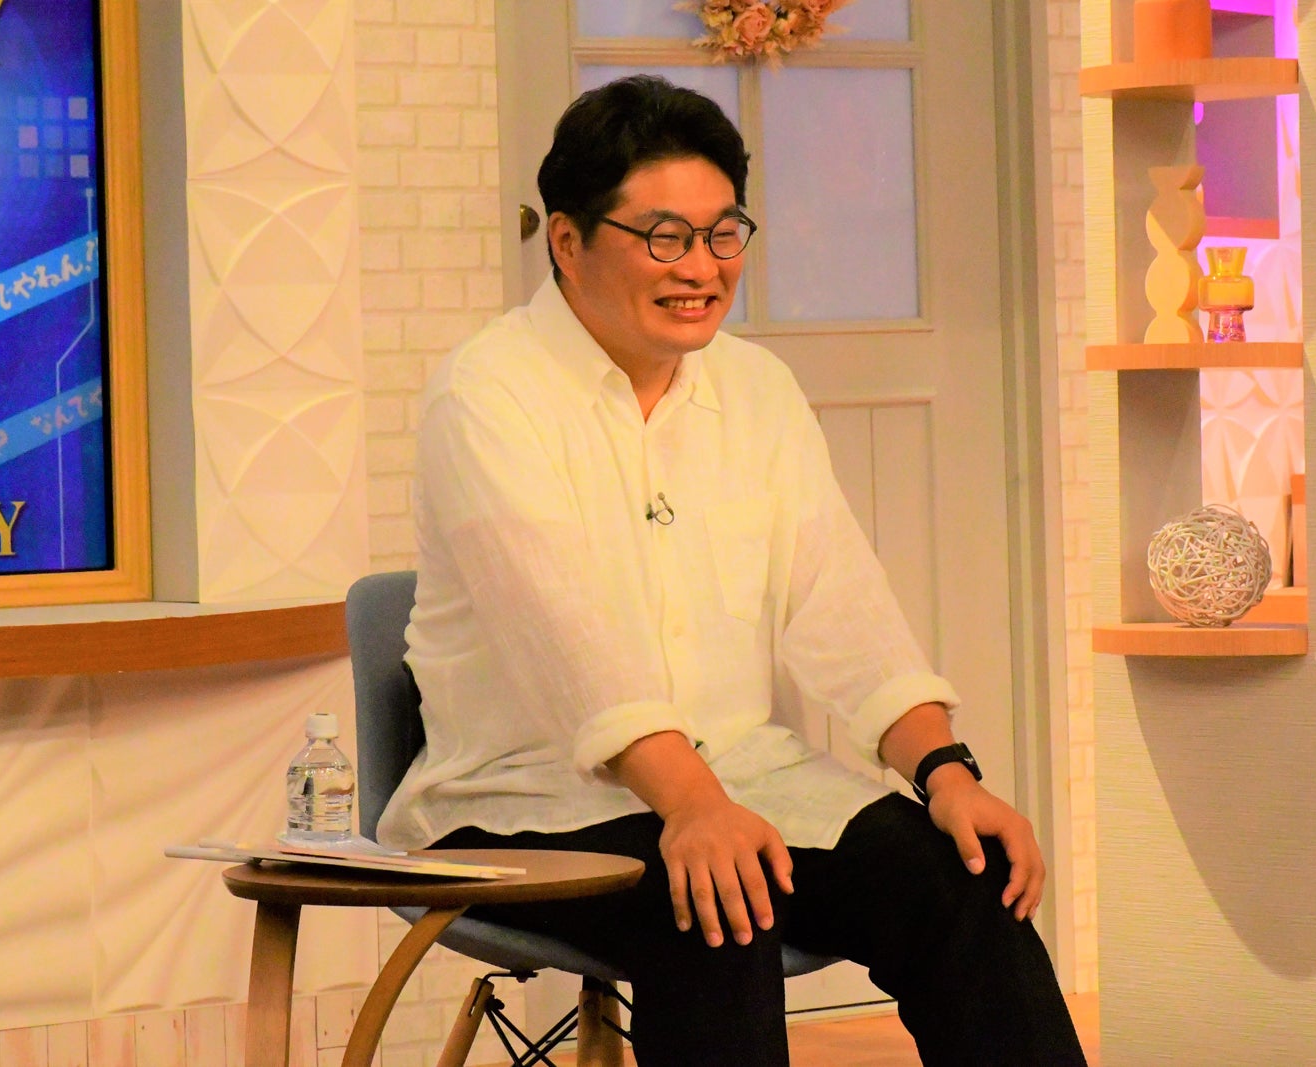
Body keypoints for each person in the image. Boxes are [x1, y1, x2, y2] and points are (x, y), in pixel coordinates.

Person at [378, 74, 1086, 1066]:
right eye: (664, 236)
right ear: (568, 242)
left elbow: (841, 603)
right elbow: (568, 639)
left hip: (743, 780)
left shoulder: (757, 388)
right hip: (523, 803)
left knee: (963, 875)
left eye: (723, 233)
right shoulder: (487, 394)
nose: (702, 268)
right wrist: (692, 804)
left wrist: (945, 771)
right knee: (717, 907)